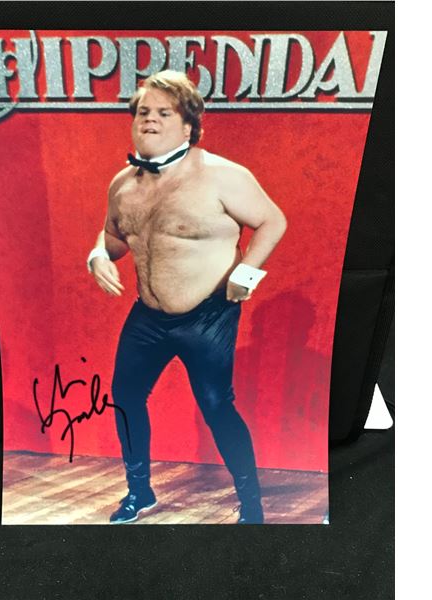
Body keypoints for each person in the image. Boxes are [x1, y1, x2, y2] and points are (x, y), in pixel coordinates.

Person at [87, 70, 287, 524]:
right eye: (143, 112)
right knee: (125, 396)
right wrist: (97, 255)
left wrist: (247, 273)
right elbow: (114, 238)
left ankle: (251, 506)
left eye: (164, 112)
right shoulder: (123, 184)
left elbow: (273, 220)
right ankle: (140, 493)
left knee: (216, 405)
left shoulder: (222, 176)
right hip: (149, 315)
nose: (150, 120)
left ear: (189, 125)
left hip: (208, 315)